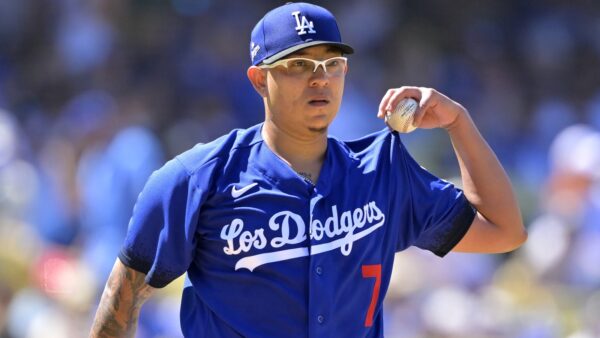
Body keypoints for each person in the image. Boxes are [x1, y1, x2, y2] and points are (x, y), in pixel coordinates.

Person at [89, 2, 527, 337]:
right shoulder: (195, 179)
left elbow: (504, 231)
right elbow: (121, 298)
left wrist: (458, 122)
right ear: (260, 79)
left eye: (330, 64)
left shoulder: (382, 173)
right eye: (298, 65)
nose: (319, 78)